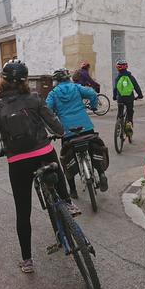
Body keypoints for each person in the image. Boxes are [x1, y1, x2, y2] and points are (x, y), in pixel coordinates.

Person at [0, 60, 81, 274]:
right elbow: (56, 125)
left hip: (17, 162)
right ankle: (67, 202)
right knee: (53, 160)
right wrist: (60, 132)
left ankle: (27, 261)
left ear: (3, 81)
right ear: (26, 81)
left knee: (23, 210)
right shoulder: (35, 99)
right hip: (42, 153)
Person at [46, 68, 109, 198]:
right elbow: (92, 93)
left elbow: (47, 111)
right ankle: (101, 173)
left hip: (68, 132)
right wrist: (93, 106)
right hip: (85, 127)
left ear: (56, 81)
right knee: (94, 148)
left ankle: (73, 190)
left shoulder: (53, 94)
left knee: (67, 157)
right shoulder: (76, 87)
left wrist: (53, 125)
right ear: (68, 78)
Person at [112, 59, 143, 135]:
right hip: (129, 98)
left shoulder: (117, 78)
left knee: (120, 112)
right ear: (126, 67)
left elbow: (115, 88)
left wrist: (114, 97)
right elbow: (136, 87)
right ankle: (129, 124)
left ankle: (118, 125)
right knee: (130, 111)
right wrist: (140, 95)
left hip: (120, 99)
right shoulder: (131, 77)